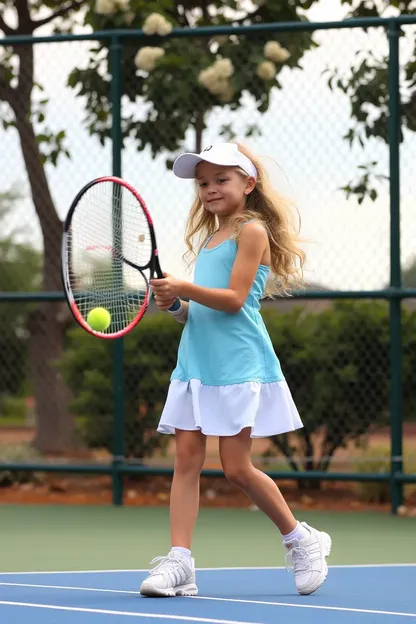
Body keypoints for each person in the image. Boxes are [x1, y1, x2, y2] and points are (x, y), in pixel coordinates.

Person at [140, 142, 331, 598]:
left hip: (239, 364)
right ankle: (180, 562)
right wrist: (176, 305)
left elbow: (234, 301)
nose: (209, 189)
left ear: (248, 183)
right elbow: (200, 312)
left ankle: (300, 540)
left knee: (235, 467)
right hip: (196, 365)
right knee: (185, 461)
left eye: (221, 179)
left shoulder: (252, 231)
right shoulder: (209, 239)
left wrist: (184, 285)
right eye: (202, 182)